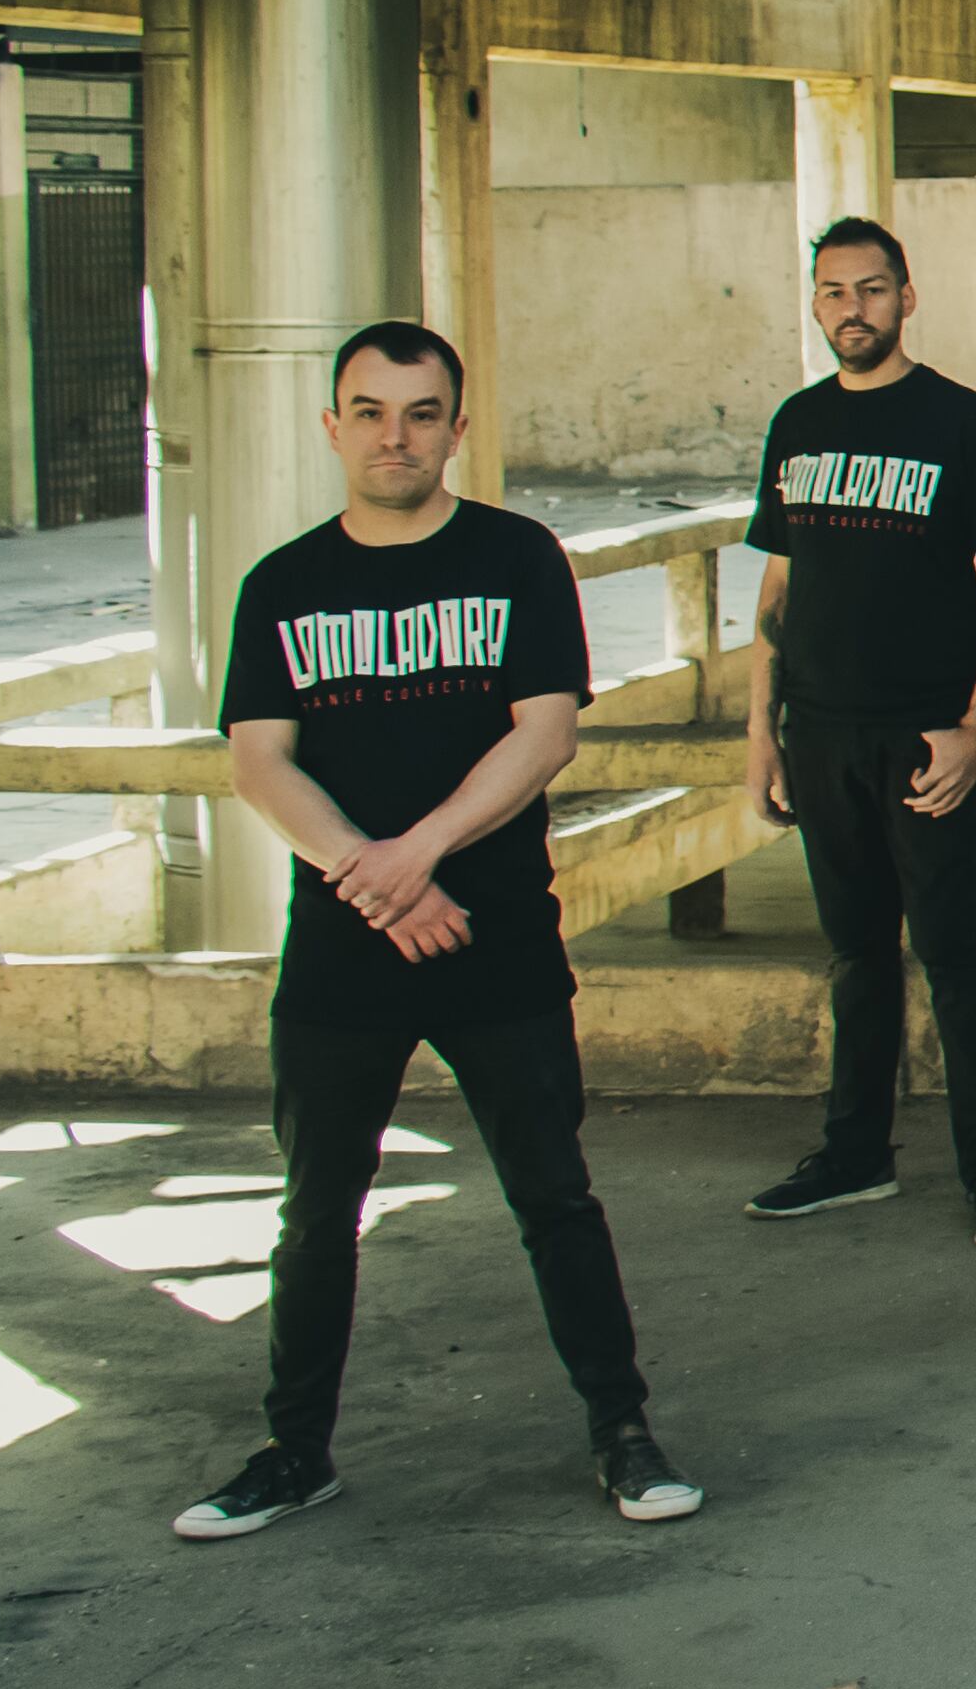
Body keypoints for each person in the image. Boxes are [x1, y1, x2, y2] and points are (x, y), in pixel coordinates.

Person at [174, 320, 702, 1541]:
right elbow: (260, 762)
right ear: (332, 426)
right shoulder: (284, 585)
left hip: (499, 938)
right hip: (343, 952)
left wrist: (415, 857)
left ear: (457, 429)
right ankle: (295, 1449)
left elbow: (546, 732)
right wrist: (379, 879)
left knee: (554, 1194)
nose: (393, 435)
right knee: (316, 1211)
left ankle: (622, 1432)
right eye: (368, 410)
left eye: (420, 413)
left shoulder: (517, 556)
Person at [737, 217, 976, 1244]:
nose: (851, 309)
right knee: (854, 953)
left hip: (925, 737)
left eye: (871, 290)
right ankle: (854, 1151)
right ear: (815, 303)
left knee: (952, 952)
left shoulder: (957, 419)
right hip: (820, 732)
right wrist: (760, 733)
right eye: (832, 292)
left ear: (906, 298)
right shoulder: (797, 422)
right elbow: (777, 591)